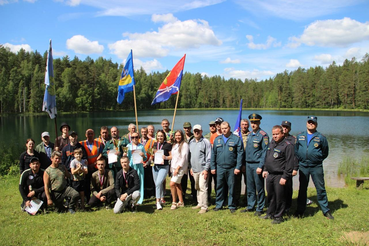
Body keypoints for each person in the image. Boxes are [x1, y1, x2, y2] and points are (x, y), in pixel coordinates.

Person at [294, 116, 333, 219]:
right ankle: (300, 210)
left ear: (316, 124)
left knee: (320, 188)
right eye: (309, 122)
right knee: (302, 189)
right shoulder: (300, 136)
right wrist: (301, 159)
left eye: (313, 123)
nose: (311, 124)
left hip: (316, 166)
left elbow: (325, 152)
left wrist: (317, 159)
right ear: (306, 123)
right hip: (303, 166)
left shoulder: (321, 137)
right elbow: (296, 150)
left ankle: (326, 210)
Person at [261, 125, 294, 224]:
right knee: (271, 195)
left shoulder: (288, 145)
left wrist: (285, 176)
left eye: (277, 134)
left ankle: (279, 216)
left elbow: (290, 163)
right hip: (270, 174)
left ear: (282, 134)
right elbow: (268, 157)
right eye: (274, 134)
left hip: (280, 175)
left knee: (280, 197)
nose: (275, 136)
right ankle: (270, 213)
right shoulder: (272, 143)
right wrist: (265, 169)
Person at [211, 121, 244, 213]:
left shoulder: (236, 139)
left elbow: (240, 154)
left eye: (225, 128)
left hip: (232, 167)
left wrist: (238, 167)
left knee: (232, 187)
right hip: (220, 167)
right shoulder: (217, 139)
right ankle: (219, 204)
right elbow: (213, 154)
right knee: (219, 186)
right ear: (220, 129)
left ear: (229, 128)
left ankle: (232, 205)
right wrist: (213, 167)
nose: (224, 130)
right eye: (222, 128)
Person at [242, 114, 269, 216]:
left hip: (257, 165)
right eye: (252, 122)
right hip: (248, 164)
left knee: (259, 187)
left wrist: (261, 166)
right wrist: (244, 164)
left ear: (259, 123)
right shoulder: (249, 135)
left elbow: (265, 152)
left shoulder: (263, 135)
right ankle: (250, 206)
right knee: (250, 187)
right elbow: (246, 151)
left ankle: (260, 207)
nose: (253, 124)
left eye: (255, 122)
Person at [189, 124, 211, 214]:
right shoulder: (191, 142)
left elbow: (209, 156)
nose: (196, 132)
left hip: (203, 169)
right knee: (197, 187)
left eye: (198, 131)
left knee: (203, 187)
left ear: (201, 131)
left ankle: (204, 206)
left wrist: (206, 169)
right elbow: (190, 156)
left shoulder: (206, 142)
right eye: (195, 131)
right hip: (194, 169)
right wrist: (190, 168)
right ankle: (199, 203)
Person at [80, 129, 104, 200]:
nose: (90, 135)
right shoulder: (81, 143)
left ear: (94, 134)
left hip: (95, 167)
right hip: (85, 168)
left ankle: (97, 198)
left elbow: (101, 154)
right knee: (86, 184)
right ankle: (87, 198)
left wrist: (94, 164)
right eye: (88, 134)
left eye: (91, 134)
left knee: (96, 183)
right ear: (85, 135)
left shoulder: (98, 144)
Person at [281, 120, 299, 213]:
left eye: (286, 127)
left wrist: (295, 168)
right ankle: (279, 204)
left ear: (290, 129)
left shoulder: (293, 139)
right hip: (279, 167)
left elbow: (295, 155)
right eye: (283, 126)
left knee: (288, 187)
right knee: (279, 187)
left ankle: (288, 206)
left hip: (289, 167)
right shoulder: (278, 138)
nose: (284, 128)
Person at [151, 130, 172, 210]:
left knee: (159, 183)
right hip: (155, 167)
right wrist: (152, 156)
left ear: (164, 137)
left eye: (161, 136)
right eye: (158, 136)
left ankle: (157, 202)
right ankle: (161, 197)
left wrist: (166, 157)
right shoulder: (155, 144)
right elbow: (152, 155)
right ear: (156, 137)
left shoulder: (168, 145)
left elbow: (171, 156)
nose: (160, 137)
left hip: (164, 166)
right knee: (157, 183)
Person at [126, 131, 147, 205]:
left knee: (140, 182)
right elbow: (126, 158)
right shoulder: (128, 146)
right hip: (132, 167)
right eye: (133, 137)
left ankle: (140, 199)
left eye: (136, 137)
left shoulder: (141, 146)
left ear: (139, 138)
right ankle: (131, 198)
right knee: (132, 183)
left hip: (139, 167)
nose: (134, 139)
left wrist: (143, 156)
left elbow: (145, 158)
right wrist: (124, 154)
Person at [170, 130, 188, 210]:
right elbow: (173, 157)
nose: (177, 137)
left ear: (182, 136)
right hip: (174, 167)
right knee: (177, 184)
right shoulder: (175, 145)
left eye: (179, 135)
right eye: (176, 135)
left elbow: (184, 157)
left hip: (180, 168)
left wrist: (178, 168)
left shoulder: (184, 145)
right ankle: (181, 201)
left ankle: (174, 201)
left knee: (172, 184)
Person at [234, 119, 250, 207]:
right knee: (237, 183)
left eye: (246, 124)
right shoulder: (236, 135)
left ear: (248, 125)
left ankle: (246, 200)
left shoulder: (251, 135)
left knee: (248, 183)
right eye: (243, 124)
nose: (244, 126)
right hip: (237, 163)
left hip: (247, 163)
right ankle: (236, 200)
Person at [181, 122, 196, 204]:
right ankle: (183, 196)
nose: (187, 129)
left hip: (191, 160)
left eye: (188, 128)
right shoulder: (181, 136)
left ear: (190, 128)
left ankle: (194, 196)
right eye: (185, 128)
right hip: (184, 161)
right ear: (183, 128)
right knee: (183, 180)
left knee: (193, 180)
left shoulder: (194, 136)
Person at [142, 126, 156, 198]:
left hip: (149, 162)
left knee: (149, 178)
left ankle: (151, 193)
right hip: (141, 163)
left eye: (145, 132)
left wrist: (147, 163)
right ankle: (144, 193)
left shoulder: (151, 141)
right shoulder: (138, 141)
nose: (144, 133)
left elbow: (152, 154)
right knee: (142, 178)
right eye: (142, 132)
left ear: (147, 132)